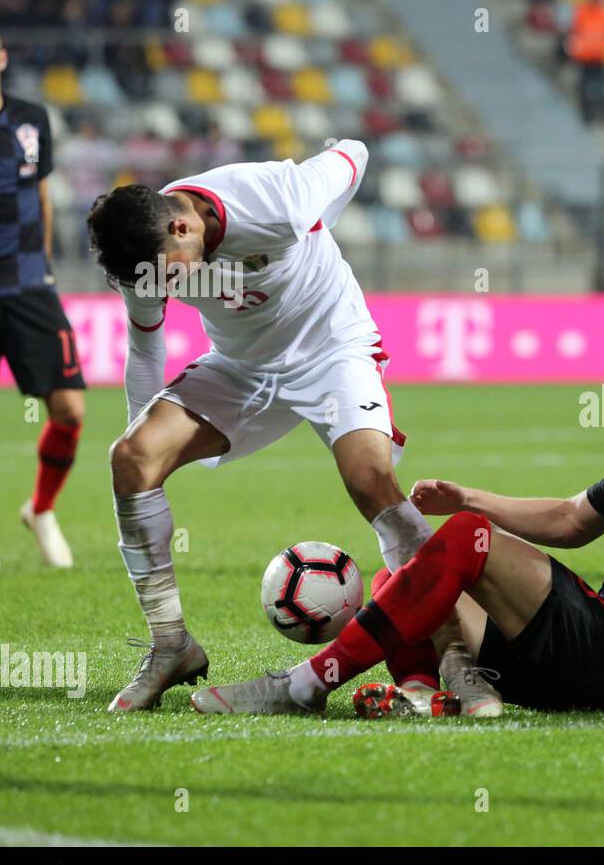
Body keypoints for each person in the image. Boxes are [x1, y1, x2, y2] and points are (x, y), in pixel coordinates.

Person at [191, 320, 604, 716]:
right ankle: (431, 691)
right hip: (582, 650)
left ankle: (306, 685)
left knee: (464, 546)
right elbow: (571, 520)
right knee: (423, 562)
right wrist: (468, 495)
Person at [85, 138, 497, 714]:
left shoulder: (274, 202)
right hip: (240, 368)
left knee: (370, 481)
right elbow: (145, 351)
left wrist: (319, 217)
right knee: (129, 458)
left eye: (171, 276)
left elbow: (353, 152)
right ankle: (170, 644)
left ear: (181, 229)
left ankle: (456, 653)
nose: (169, 288)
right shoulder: (144, 260)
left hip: (332, 349)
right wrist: (148, 443)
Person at [0, 15, 85, 571]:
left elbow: (40, 199)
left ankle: (41, 508)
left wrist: (41, 268)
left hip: (27, 285)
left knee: (69, 408)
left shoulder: (31, 120)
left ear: (0, 60)